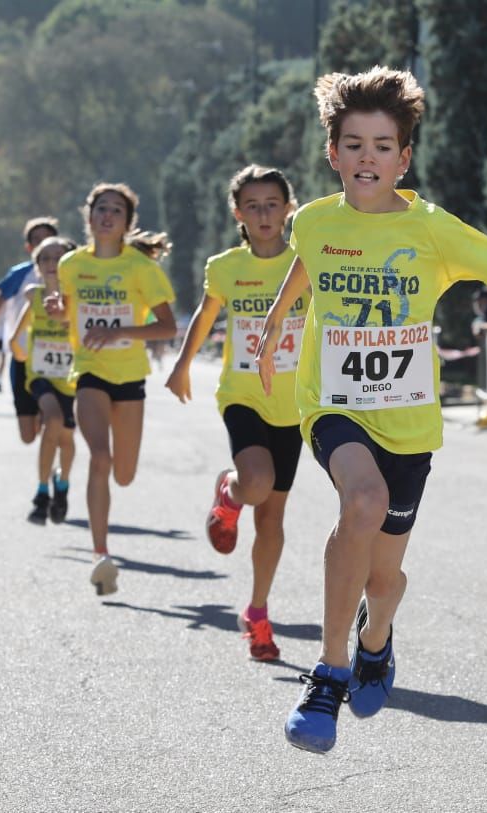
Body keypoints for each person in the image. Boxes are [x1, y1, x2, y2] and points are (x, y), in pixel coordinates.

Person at [254, 66, 487, 753]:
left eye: (382, 145)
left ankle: (374, 638)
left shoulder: (431, 228)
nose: (367, 157)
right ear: (332, 153)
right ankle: (327, 674)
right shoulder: (313, 220)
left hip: (408, 417)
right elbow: (308, 257)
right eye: (353, 143)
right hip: (332, 403)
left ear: (403, 157)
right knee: (358, 503)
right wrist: (276, 318)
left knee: (384, 577)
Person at [165, 164, 306, 661]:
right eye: (253, 206)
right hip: (243, 395)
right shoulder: (226, 267)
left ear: (290, 208)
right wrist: (182, 365)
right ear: (238, 214)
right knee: (256, 482)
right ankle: (229, 491)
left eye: (273, 204)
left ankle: (258, 612)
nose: (264, 214)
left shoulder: (307, 262)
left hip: (294, 406)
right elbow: (205, 316)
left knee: (272, 522)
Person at [45, 183, 177, 596]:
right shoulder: (70, 265)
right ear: (88, 217)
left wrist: (123, 329)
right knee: (99, 458)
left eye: (116, 210)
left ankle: (101, 544)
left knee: (124, 473)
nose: (107, 215)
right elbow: (72, 311)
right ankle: (100, 555)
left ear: (127, 222)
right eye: (101, 208)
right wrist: (60, 310)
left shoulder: (141, 268)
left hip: (130, 377)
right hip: (89, 371)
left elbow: (167, 327)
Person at [10, 236, 80, 525]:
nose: (51, 264)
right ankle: (41, 494)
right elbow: (16, 339)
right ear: (37, 266)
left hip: (71, 379)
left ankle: (61, 486)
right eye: (45, 259)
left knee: (66, 438)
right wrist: (24, 359)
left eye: (58, 258)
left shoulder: (78, 298)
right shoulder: (35, 298)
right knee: (52, 420)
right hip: (40, 377)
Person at [0, 217, 60, 437]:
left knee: (56, 418)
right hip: (23, 354)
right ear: (28, 247)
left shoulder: (70, 271)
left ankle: (52, 447)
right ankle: (41, 420)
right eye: (36, 240)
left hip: (57, 351)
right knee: (28, 435)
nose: (42, 243)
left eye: (47, 238)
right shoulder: (19, 274)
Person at [128, 230, 174, 371]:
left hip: (150, 318)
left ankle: (158, 356)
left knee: (157, 341)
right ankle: (156, 355)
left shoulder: (149, 271)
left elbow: (168, 324)